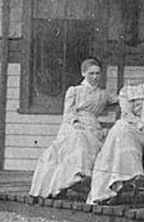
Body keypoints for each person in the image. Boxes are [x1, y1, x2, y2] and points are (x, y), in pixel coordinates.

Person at [29, 58, 117, 199]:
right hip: (72, 124)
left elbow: (120, 100)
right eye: (91, 73)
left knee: (87, 139)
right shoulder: (74, 90)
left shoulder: (103, 94)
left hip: (93, 126)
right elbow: (68, 112)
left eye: (98, 73)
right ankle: (69, 179)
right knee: (78, 138)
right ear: (83, 73)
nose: (95, 77)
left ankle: (80, 178)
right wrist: (75, 122)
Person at [87, 61, 144, 205]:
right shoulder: (129, 91)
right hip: (133, 131)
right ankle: (134, 175)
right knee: (121, 127)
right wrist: (142, 126)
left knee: (119, 130)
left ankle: (115, 185)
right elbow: (127, 113)